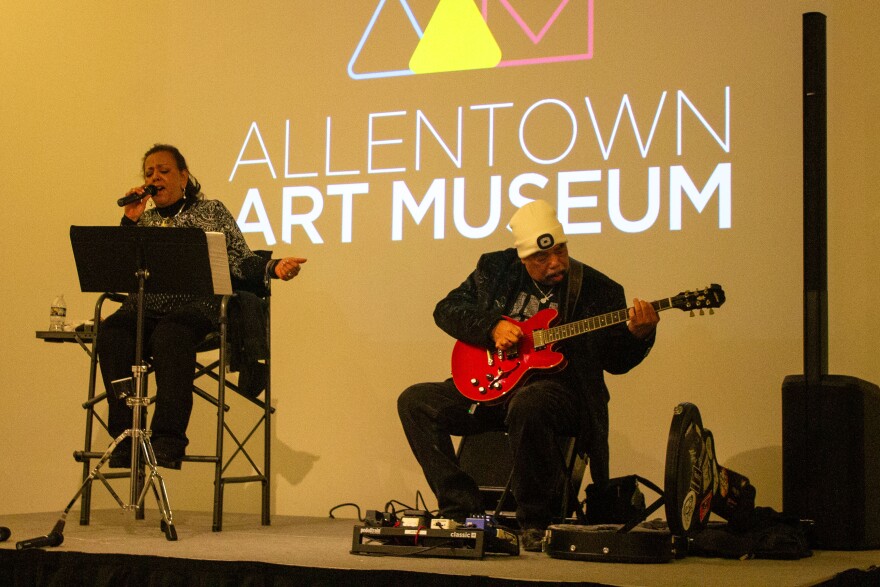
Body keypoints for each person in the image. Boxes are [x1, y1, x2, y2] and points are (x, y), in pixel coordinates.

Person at [397, 200, 659, 551]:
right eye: (541, 258)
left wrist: (638, 336)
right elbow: (446, 310)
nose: (555, 264)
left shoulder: (598, 288)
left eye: (561, 251)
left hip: (560, 393)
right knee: (415, 401)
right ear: (522, 258)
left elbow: (616, 361)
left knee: (529, 404)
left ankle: (535, 520)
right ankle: (461, 507)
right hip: (494, 385)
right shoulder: (496, 269)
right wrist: (491, 326)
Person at [98, 143, 306, 469]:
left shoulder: (210, 211)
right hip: (142, 309)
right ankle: (125, 437)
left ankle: (168, 440)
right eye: (149, 172)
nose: (155, 177)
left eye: (164, 171)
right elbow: (119, 271)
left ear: (183, 176)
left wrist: (273, 268)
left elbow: (241, 260)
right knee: (112, 333)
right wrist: (129, 222)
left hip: (193, 308)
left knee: (170, 335)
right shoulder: (145, 218)